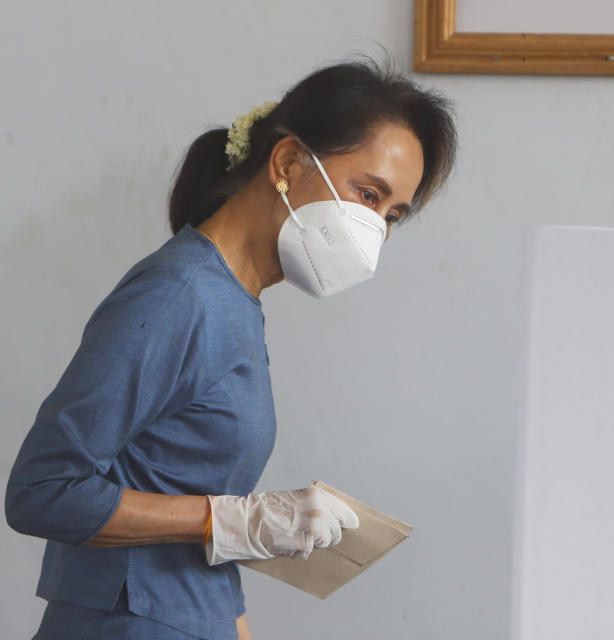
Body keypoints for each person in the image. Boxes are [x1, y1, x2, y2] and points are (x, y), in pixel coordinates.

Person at [5, 59, 457, 640]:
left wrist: (236, 567)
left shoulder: (234, 302)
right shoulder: (178, 295)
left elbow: (200, 522)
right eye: (368, 195)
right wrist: (235, 519)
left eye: (393, 214)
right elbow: (42, 492)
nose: (378, 230)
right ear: (289, 162)